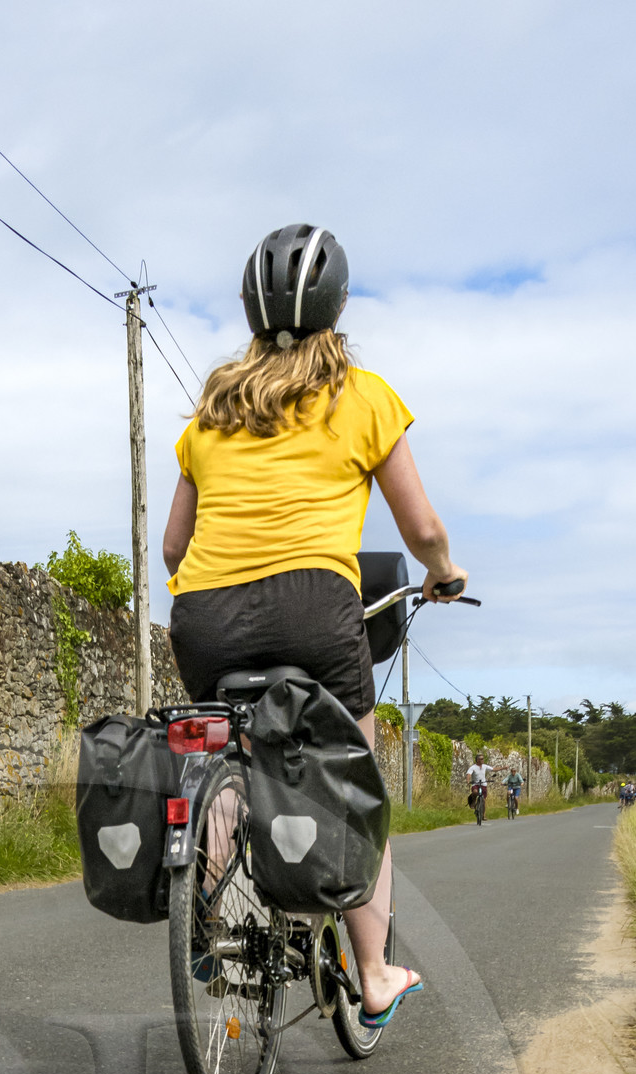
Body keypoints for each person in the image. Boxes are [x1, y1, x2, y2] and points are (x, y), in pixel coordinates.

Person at [160, 222, 466, 1029]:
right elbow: (424, 529)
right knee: (353, 787)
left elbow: (171, 546)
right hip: (314, 612)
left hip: (204, 617)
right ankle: (373, 973)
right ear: (336, 306)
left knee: (230, 750)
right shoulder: (363, 397)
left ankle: (206, 913)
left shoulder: (212, 411)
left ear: (252, 311)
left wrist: (219, 590)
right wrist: (442, 576)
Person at [467, 756, 488, 825]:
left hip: (483, 785)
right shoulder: (473, 767)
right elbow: (469, 774)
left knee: (484, 801)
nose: (483, 760)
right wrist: (468, 781)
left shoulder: (484, 766)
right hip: (475, 784)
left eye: (483, 758)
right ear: (478, 760)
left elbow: (493, 769)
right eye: (481, 759)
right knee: (475, 792)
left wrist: (503, 768)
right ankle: (473, 802)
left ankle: (483, 815)